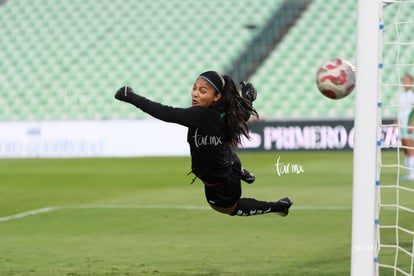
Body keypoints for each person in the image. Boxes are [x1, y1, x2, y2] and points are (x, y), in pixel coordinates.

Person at [114, 71, 292, 216]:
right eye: (194, 88)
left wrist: (131, 97)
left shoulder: (201, 115)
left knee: (228, 208)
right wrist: (248, 97)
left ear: (217, 96)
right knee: (222, 152)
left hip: (222, 184)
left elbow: (166, 113)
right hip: (225, 162)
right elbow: (243, 114)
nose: (195, 93)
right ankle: (239, 171)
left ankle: (277, 207)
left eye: (202, 91)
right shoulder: (225, 111)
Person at [397, 73, 414, 180]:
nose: (405, 82)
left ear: (411, 82)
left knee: (410, 148)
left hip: (408, 124)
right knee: (405, 148)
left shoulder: (412, 94)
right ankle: (408, 172)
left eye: (407, 80)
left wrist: (412, 124)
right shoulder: (401, 94)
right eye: (404, 80)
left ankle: (412, 174)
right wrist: (396, 122)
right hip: (401, 124)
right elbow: (399, 109)